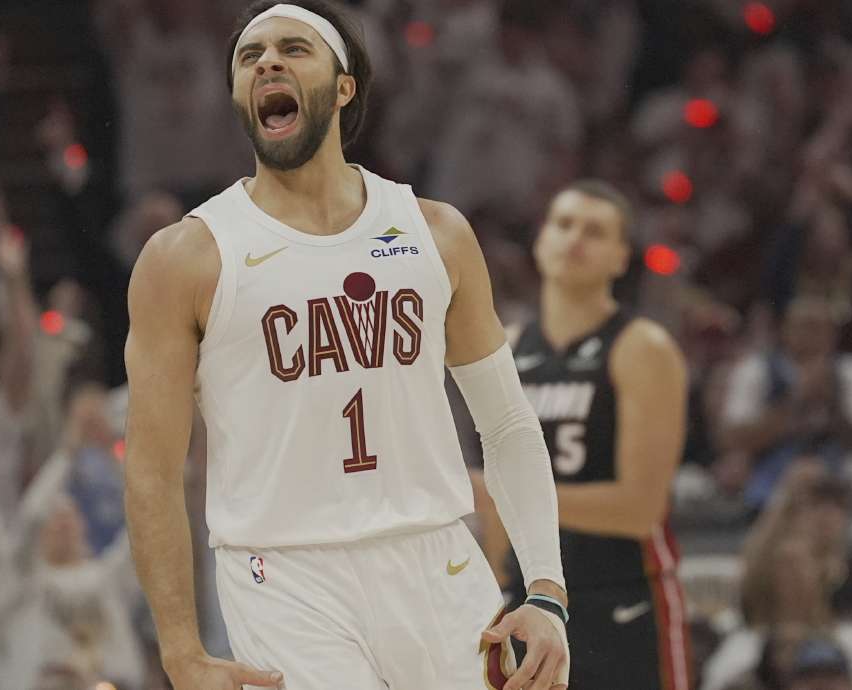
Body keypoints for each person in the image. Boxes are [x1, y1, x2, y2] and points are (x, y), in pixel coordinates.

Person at [123, 2, 569, 689]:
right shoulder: (187, 257)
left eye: (294, 49)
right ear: (241, 96)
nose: (268, 62)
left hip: (437, 557)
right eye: (250, 56)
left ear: (343, 86)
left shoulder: (437, 233)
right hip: (283, 572)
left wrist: (545, 591)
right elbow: (151, 469)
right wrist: (180, 650)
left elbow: (507, 423)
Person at [472, 181, 692, 690]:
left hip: (626, 598)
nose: (575, 239)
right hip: (533, 602)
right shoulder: (507, 346)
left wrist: (510, 494)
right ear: (540, 241)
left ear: (621, 258)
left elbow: (640, 507)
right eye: (563, 224)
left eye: (594, 232)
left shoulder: (642, 347)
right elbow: (492, 501)